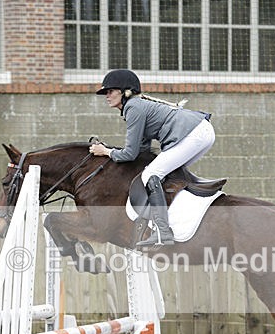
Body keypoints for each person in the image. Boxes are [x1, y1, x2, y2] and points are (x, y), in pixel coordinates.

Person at [89, 69, 215, 247]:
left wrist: (106, 151)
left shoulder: (133, 107)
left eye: (110, 91)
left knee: (150, 175)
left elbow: (130, 153)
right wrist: (115, 152)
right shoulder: (137, 106)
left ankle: (163, 232)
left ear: (125, 92)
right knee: (165, 173)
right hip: (201, 131)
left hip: (193, 134)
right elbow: (141, 151)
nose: (106, 96)